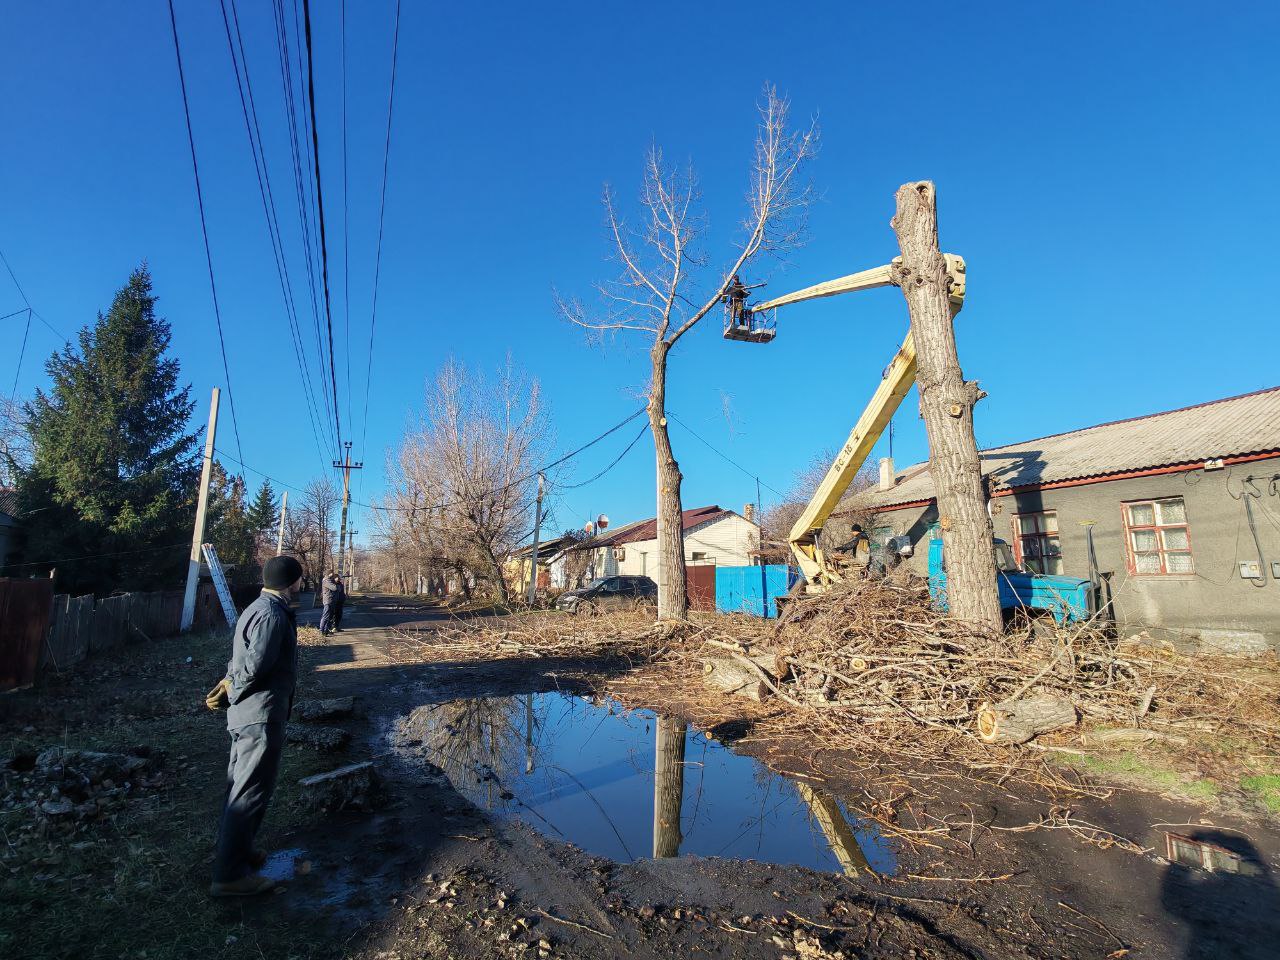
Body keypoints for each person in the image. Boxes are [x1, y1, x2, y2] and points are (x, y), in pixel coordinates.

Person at [208, 554, 303, 897]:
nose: (301, 585)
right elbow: (254, 666)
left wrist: (231, 682)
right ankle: (230, 877)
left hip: (250, 715)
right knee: (248, 793)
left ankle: (240, 853)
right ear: (291, 582)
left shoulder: (257, 607)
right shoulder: (272, 616)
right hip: (259, 715)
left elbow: (242, 660)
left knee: (240, 788)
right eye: (299, 580)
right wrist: (233, 687)